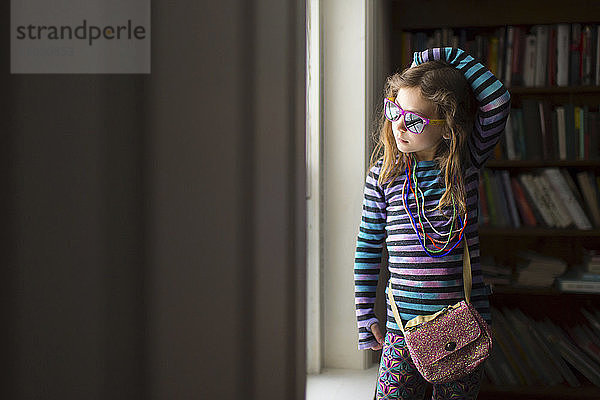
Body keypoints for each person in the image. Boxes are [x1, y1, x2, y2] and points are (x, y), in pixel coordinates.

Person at [354, 47, 510, 400]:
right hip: (401, 330)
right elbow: (367, 248)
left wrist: (444, 53)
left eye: (413, 120)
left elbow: (498, 100)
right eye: (394, 110)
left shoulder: (463, 166)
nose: (397, 126)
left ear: (448, 127)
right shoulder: (384, 176)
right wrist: (365, 314)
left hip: (461, 328)